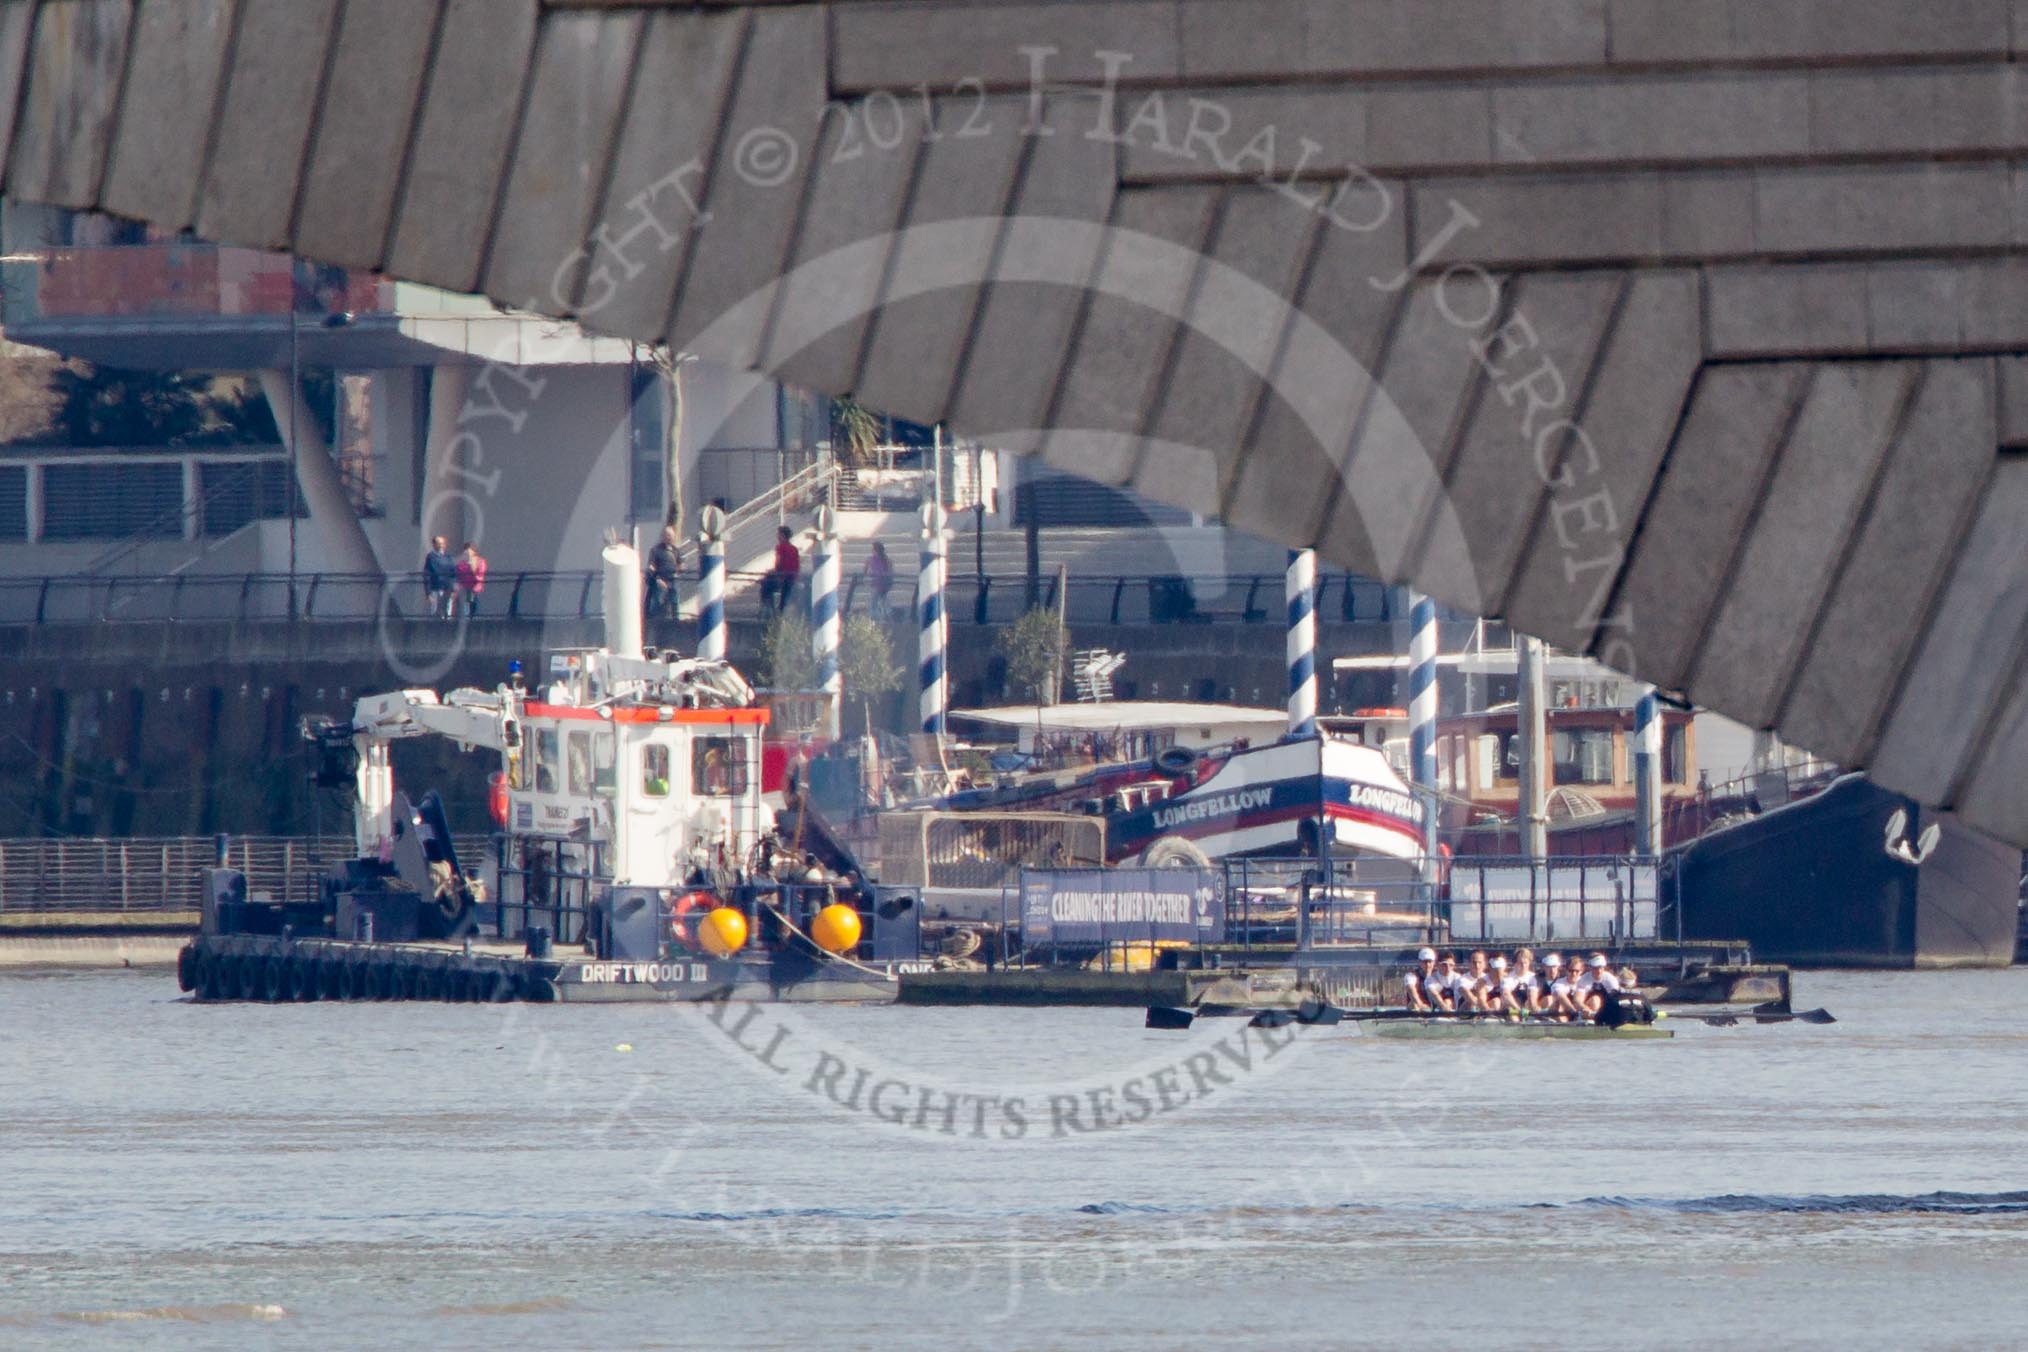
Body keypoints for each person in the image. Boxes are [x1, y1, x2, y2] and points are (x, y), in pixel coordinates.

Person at [760, 525, 802, 614]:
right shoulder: (794, 548)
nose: (777, 536)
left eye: (778, 534)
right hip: (792, 577)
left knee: (765, 586)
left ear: (782, 535)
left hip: (782, 577)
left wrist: (772, 572)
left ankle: (768, 608)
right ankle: (779, 609)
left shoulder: (780, 547)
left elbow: (778, 563)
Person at [644, 524, 682, 620]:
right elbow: (651, 566)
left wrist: (678, 572)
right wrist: (657, 579)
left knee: (675, 601)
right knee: (657, 601)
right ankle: (654, 620)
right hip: (660, 580)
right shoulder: (656, 550)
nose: (670, 538)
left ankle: (675, 620)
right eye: (668, 535)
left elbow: (680, 563)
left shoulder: (675, 550)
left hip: (672, 580)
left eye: (671, 536)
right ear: (663, 536)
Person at [1403, 947, 1449, 1012]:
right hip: (1418, 1009)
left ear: (1434, 962)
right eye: (1425, 962)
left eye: (1430, 961)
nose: (1427, 965)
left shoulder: (1438, 975)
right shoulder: (1411, 976)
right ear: (1420, 962)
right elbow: (1411, 988)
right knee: (1414, 1004)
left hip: (1435, 1009)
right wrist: (1420, 1004)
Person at [422, 535, 457, 619]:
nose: (441, 545)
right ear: (434, 544)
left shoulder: (448, 557)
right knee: (435, 611)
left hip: (447, 587)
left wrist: (453, 589)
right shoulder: (431, 557)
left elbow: (453, 573)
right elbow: (427, 575)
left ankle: (448, 627)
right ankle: (435, 627)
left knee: (447, 610)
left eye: (443, 543)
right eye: (439, 543)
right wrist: (428, 592)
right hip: (436, 588)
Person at [454, 540, 487, 616]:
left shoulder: (480, 561)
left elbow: (480, 574)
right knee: (464, 605)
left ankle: (473, 617)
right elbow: (458, 575)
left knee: (474, 604)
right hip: (464, 588)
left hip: (475, 588)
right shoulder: (461, 563)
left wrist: (472, 565)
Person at [864, 540, 894, 621]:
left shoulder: (874, 559)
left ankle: (874, 618)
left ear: (876, 550)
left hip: (879, 583)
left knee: (875, 601)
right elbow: (890, 572)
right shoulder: (885, 559)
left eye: (873, 549)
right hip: (881, 584)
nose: (872, 551)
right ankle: (887, 615)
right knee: (882, 600)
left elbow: (865, 569)